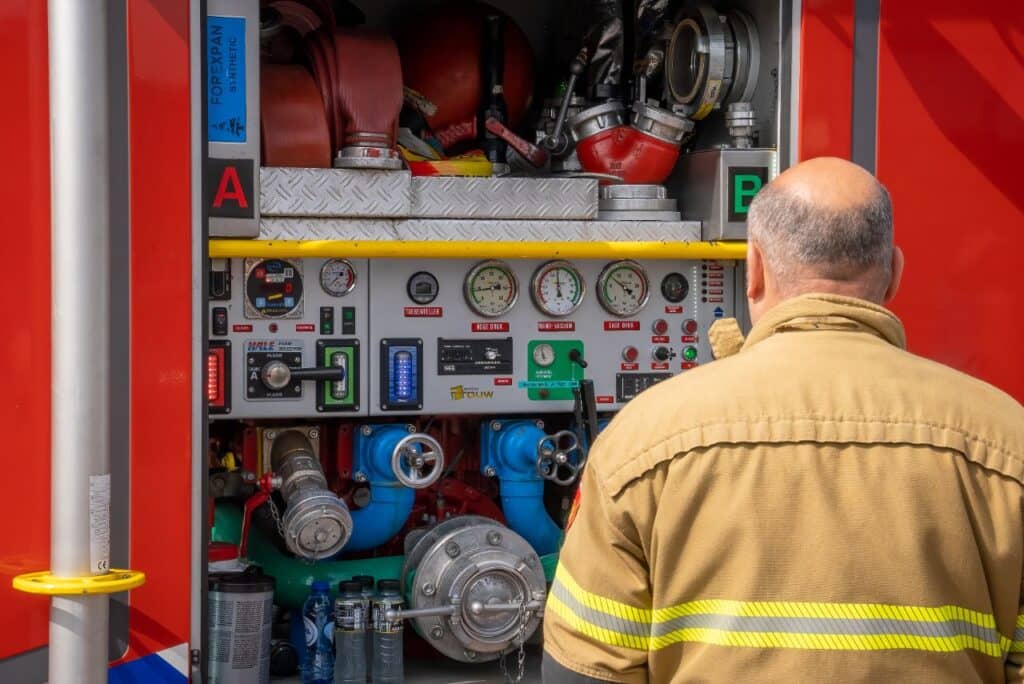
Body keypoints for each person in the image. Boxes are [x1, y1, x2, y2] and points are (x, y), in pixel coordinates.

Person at [541, 157, 1024, 683]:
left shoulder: (641, 442)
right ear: (894, 274)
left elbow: (586, 670)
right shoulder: (1006, 440)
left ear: (754, 270)